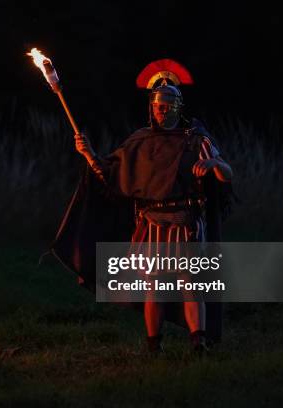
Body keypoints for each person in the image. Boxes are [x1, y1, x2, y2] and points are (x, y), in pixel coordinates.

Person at [51, 59, 234, 353]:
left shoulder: (196, 139)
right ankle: (153, 345)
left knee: (191, 284)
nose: (162, 110)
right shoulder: (140, 141)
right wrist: (88, 153)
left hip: (186, 222)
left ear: (178, 106)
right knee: (155, 287)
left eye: (168, 105)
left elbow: (227, 174)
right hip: (151, 223)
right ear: (152, 107)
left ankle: (198, 342)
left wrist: (213, 163)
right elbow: (109, 174)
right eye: (158, 106)